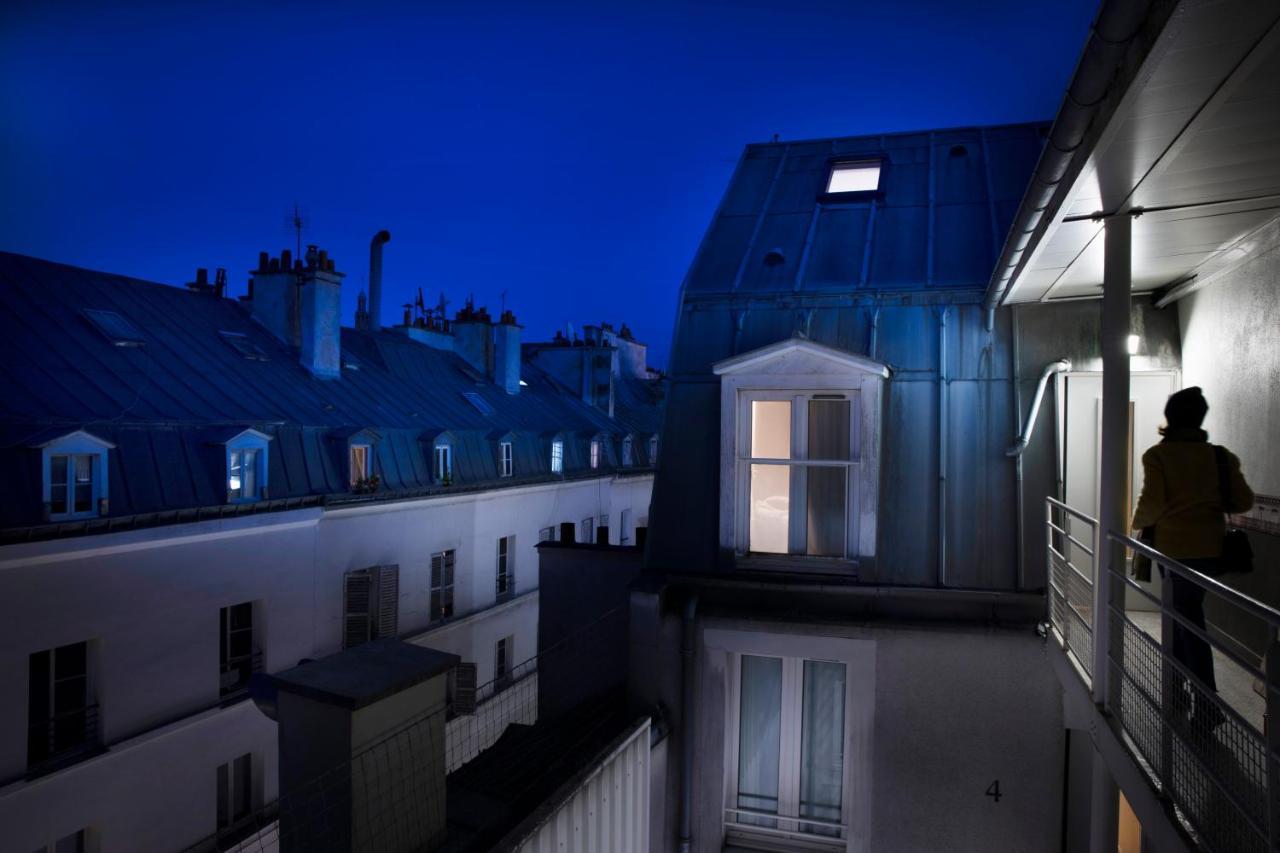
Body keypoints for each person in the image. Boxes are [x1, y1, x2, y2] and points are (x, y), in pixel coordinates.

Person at [1131, 387, 1253, 731]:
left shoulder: (1158, 456)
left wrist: (1135, 525)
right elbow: (1242, 502)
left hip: (1172, 552)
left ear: (1170, 417)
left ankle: (1205, 700)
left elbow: (1151, 504)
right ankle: (1180, 688)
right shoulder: (1220, 456)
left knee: (1186, 622)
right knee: (1183, 617)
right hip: (1210, 551)